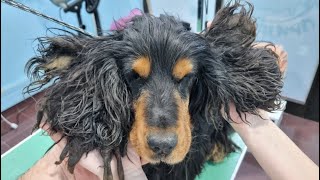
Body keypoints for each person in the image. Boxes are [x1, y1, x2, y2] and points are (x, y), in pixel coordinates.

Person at [20, 21, 318, 180]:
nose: (162, 132)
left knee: (205, 143)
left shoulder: (204, 92)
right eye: (137, 77)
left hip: (193, 144)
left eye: (184, 78)